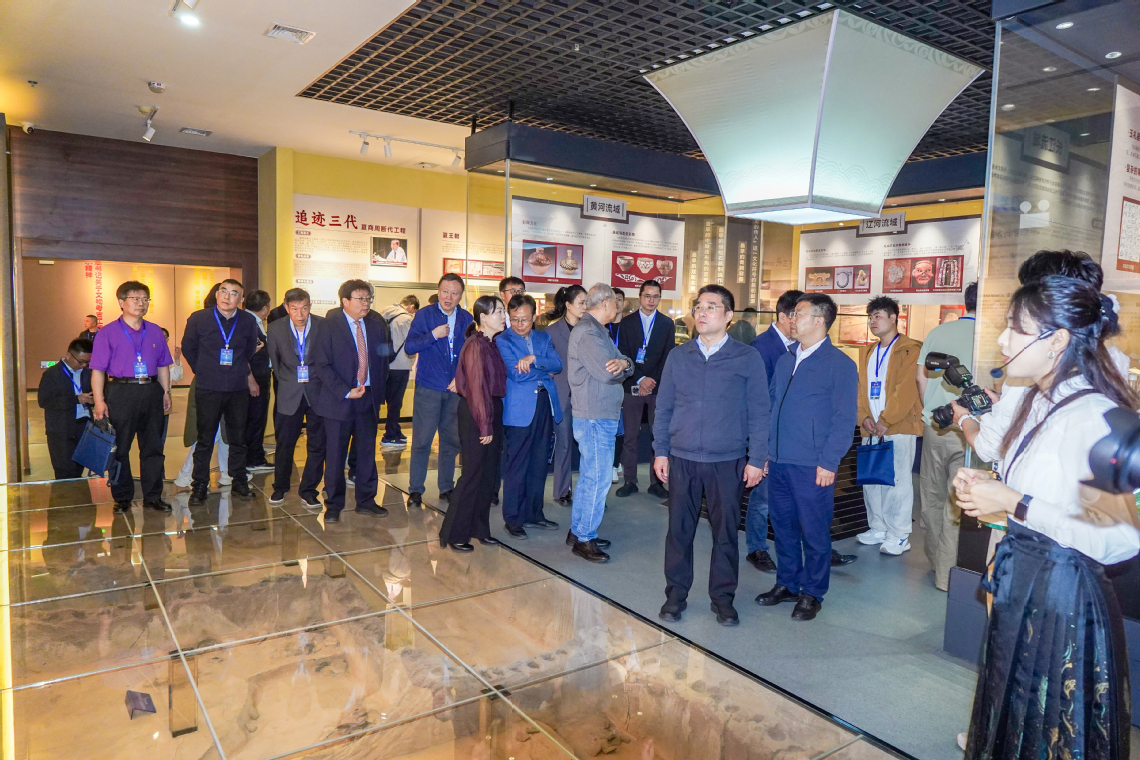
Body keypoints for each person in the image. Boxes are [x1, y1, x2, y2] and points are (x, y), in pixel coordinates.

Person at [951, 276, 1138, 760]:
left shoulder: (1093, 414)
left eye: (1016, 328)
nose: (1002, 339)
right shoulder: (1040, 400)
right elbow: (1038, 487)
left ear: (1057, 340)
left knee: (1047, 724)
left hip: (1062, 598)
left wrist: (1014, 501)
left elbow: (1119, 537)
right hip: (1025, 585)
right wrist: (989, 488)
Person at [654, 285, 769, 626]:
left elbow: (759, 411)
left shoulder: (747, 358)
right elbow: (664, 406)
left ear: (729, 316)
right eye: (699, 306)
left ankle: (722, 598)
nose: (702, 312)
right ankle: (675, 595)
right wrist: (660, 451)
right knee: (679, 532)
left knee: (725, 534)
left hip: (727, 460)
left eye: (712, 306)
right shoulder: (679, 356)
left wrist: (757, 458)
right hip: (682, 458)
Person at [757, 293, 857, 621]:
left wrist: (829, 461)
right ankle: (787, 583)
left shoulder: (840, 365)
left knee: (814, 531)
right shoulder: (786, 359)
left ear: (819, 320)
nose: (791, 319)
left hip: (813, 464)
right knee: (782, 526)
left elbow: (844, 420)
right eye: (791, 314)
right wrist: (767, 451)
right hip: (779, 460)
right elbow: (772, 407)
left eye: (798, 313)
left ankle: (812, 592)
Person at [90, 281, 173, 512]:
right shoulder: (107, 333)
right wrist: (99, 400)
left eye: (145, 299)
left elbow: (163, 365)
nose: (141, 303)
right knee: (120, 448)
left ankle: (153, 496)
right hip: (121, 392)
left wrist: (166, 392)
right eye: (135, 299)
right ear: (121, 302)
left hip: (151, 390)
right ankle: (123, 497)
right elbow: (98, 370)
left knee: (153, 447)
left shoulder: (154, 330)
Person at [916, 282, 978, 590]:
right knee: (957, 502)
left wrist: (929, 410)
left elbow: (921, 377)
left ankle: (934, 562)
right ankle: (946, 575)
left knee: (930, 496)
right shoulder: (990, 337)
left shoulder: (938, 332)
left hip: (936, 426)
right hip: (971, 431)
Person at [312, 279, 391, 522]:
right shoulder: (328, 325)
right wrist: (345, 391)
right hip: (340, 399)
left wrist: (377, 392)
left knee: (367, 452)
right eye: (360, 299)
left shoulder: (376, 325)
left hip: (368, 398)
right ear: (345, 301)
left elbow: (383, 361)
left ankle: (366, 501)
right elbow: (321, 365)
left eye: (368, 299)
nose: (366, 303)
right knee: (336, 454)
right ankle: (334, 504)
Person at [568, 283, 634, 563]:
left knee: (590, 476)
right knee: (598, 478)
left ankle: (579, 530)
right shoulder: (588, 333)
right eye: (615, 302)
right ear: (606, 303)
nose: (618, 307)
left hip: (599, 414)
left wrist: (625, 364)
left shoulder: (598, 330)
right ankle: (585, 537)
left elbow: (624, 361)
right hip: (594, 415)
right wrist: (623, 367)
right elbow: (608, 373)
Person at [181, 278, 260, 506]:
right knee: (204, 439)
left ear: (241, 299)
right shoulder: (199, 318)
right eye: (223, 291)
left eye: (234, 293)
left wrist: (237, 370)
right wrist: (202, 369)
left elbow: (248, 350)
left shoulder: (247, 321)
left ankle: (239, 482)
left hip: (237, 388)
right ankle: (199, 486)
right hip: (208, 387)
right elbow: (189, 347)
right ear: (216, 294)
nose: (227, 296)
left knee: (238, 438)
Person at [438, 296, 508, 550]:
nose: (503, 316)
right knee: (472, 475)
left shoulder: (491, 343)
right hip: (478, 413)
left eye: (502, 311)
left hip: (491, 409)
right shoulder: (476, 344)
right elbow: (477, 389)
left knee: (487, 475)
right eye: (498, 312)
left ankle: (479, 528)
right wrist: (485, 425)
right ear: (484, 318)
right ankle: (455, 534)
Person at [855, 296, 923, 556]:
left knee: (897, 482)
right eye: (870, 317)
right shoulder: (868, 351)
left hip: (898, 427)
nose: (873, 321)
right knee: (872, 479)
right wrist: (863, 417)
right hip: (871, 427)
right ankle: (878, 527)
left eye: (878, 316)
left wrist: (886, 420)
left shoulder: (910, 349)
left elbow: (906, 390)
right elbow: (861, 390)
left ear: (894, 318)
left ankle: (899, 534)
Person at [744, 290, 802, 574]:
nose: (802, 322)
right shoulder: (761, 347)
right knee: (764, 497)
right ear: (783, 316)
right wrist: (762, 444)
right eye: (798, 315)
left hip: (794, 434)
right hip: (769, 433)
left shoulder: (800, 345)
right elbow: (757, 399)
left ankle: (809, 546)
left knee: (795, 495)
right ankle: (756, 547)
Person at [404, 273, 472, 506]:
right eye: (445, 291)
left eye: (454, 293)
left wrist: (461, 378)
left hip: (455, 390)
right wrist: (433, 335)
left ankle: (446, 487)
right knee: (422, 441)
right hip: (429, 388)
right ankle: (415, 490)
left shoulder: (466, 318)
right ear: (438, 291)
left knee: (451, 442)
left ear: (460, 296)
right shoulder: (425, 315)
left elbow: (471, 354)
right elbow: (410, 346)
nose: (448, 297)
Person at [498, 294, 563, 539]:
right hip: (519, 410)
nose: (519, 324)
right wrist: (544, 372)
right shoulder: (502, 340)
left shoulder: (543, 338)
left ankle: (534, 514)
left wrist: (535, 359)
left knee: (539, 463)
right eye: (515, 319)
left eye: (524, 319)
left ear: (534, 317)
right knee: (517, 465)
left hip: (544, 404)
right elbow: (516, 374)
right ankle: (513, 518)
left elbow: (557, 364)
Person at [266, 288, 327, 507]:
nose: (300, 314)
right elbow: (275, 363)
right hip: (289, 392)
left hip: (317, 392)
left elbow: (327, 358)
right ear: (286, 307)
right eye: (294, 309)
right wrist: (287, 383)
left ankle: (309, 490)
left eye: (304, 308)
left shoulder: (322, 325)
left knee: (317, 444)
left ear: (310, 306)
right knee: (285, 443)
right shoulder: (275, 328)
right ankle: (280, 488)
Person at [616, 280, 674, 499]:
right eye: (647, 296)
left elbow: (668, 357)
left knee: (657, 435)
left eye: (655, 296)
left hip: (657, 388)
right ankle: (630, 480)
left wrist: (651, 382)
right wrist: (640, 378)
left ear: (660, 298)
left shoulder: (667, 323)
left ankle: (656, 482)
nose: (651, 300)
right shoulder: (627, 322)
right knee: (630, 436)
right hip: (632, 385)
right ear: (640, 296)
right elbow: (623, 354)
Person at [545, 285, 588, 506]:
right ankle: (563, 490)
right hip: (563, 396)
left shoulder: (591, 329)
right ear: (568, 305)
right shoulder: (552, 332)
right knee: (563, 444)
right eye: (581, 302)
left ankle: (589, 492)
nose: (585, 307)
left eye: (586, 302)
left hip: (587, 396)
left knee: (587, 447)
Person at [38, 338, 93, 479]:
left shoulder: (88, 373)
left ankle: (79, 493)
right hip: (61, 429)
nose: (83, 365)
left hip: (83, 427)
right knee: (64, 472)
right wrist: (75, 399)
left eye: (87, 362)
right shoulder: (52, 374)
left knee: (78, 470)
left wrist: (93, 400)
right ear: (69, 355)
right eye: (81, 361)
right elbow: (44, 401)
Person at [378, 294, 419, 447]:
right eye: (414, 311)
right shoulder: (406, 319)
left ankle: (395, 430)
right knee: (396, 403)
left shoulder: (384, 314)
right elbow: (412, 344)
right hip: (400, 365)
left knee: (391, 401)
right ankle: (390, 436)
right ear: (411, 306)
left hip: (386, 364)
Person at [243, 289, 274, 473]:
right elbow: (244, 355)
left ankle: (255, 454)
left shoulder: (255, 321)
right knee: (255, 418)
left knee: (256, 418)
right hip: (254, 378)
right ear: (265, 307)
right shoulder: (249, 323)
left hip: (258, 376)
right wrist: (251, 380)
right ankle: (253, 459)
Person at [608, 288, 627, 484]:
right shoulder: (602, 326)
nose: (617, 303)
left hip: (626, 379)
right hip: (607, 379)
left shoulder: (629, 325)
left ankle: (615, 463)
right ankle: (612, 463)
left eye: (619, 299)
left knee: (623, 427)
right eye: (613, 300)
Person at [158, 327, 184, 449]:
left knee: (162, 430)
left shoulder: (169, 357)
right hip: (149, 396)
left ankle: (159, 453)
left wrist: (177, 359)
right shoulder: (147, 353)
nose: (162, 339)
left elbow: (177, 377)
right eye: (160, 336)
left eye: (165, 337)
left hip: (165, 397)